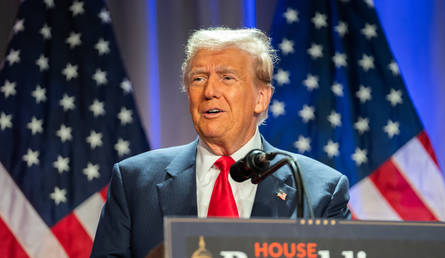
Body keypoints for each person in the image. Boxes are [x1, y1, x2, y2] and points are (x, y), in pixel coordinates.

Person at [90, 27, 351, 258]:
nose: (209, 91)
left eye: (227, 78)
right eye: (198, 78)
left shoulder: (320, 189)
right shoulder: (133, 181)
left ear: (261, 98)